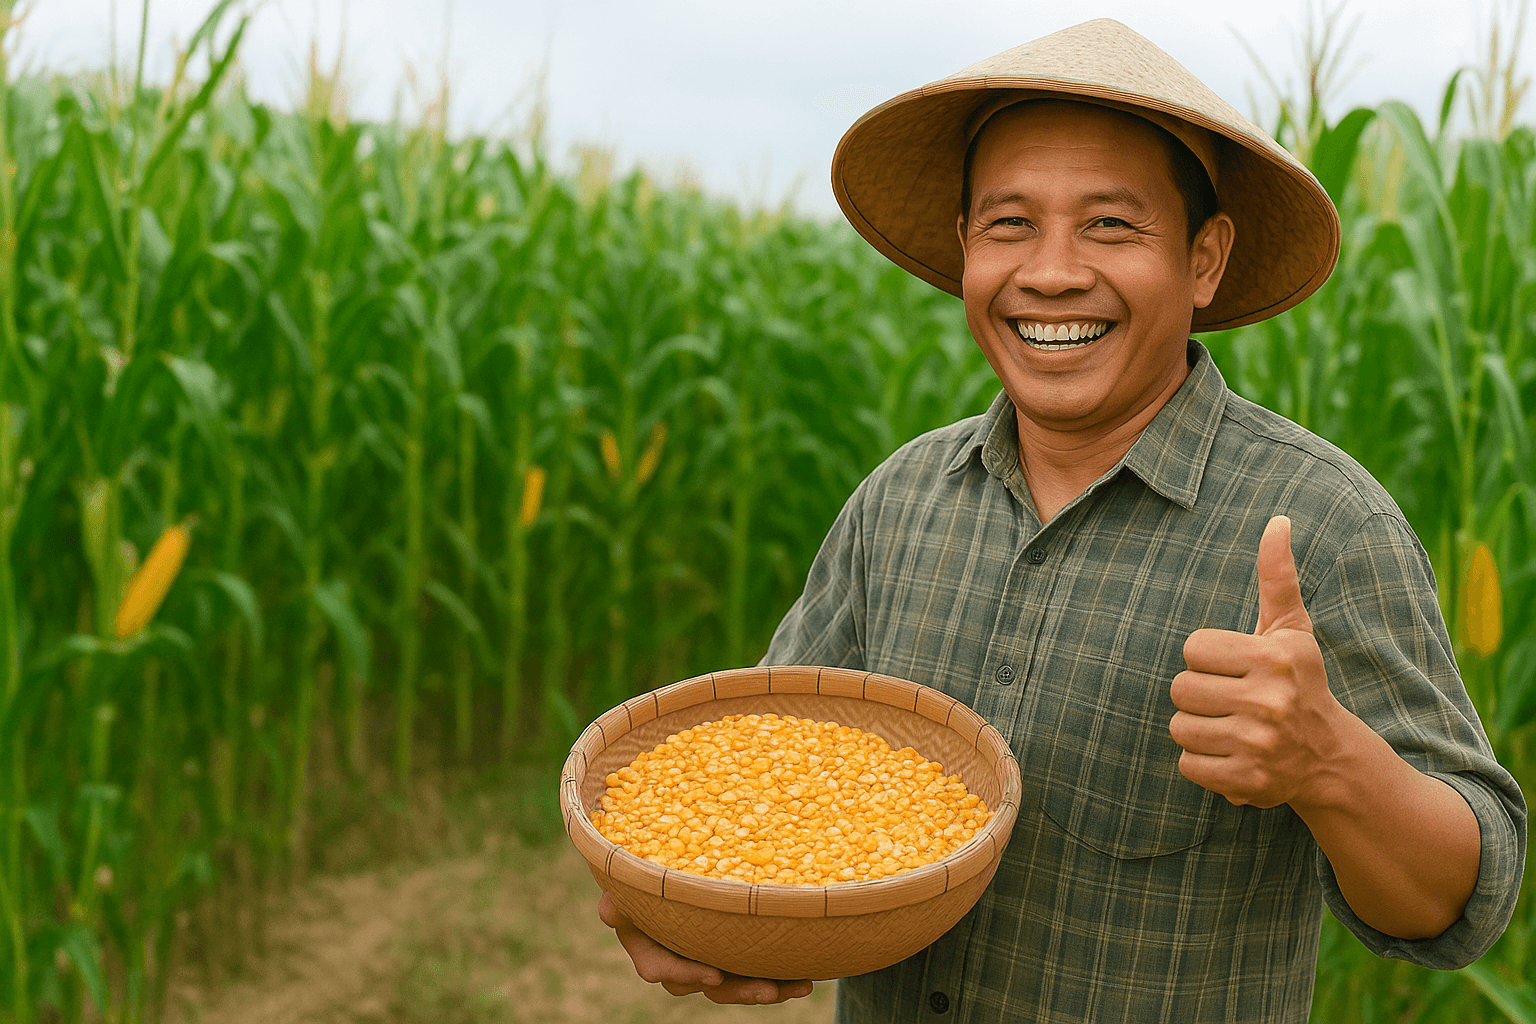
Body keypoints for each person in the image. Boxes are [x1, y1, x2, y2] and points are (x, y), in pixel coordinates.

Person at [598, 18, 1527, 1021]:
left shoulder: (1323, 528)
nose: (1050, 272)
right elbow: (768, 775)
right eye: (1009, 225)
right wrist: (681, 907)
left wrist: (1328, 759)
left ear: (1204, 258)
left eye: (1110, 226)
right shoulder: (898, 503)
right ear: (965, 246)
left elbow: (1459, 905)